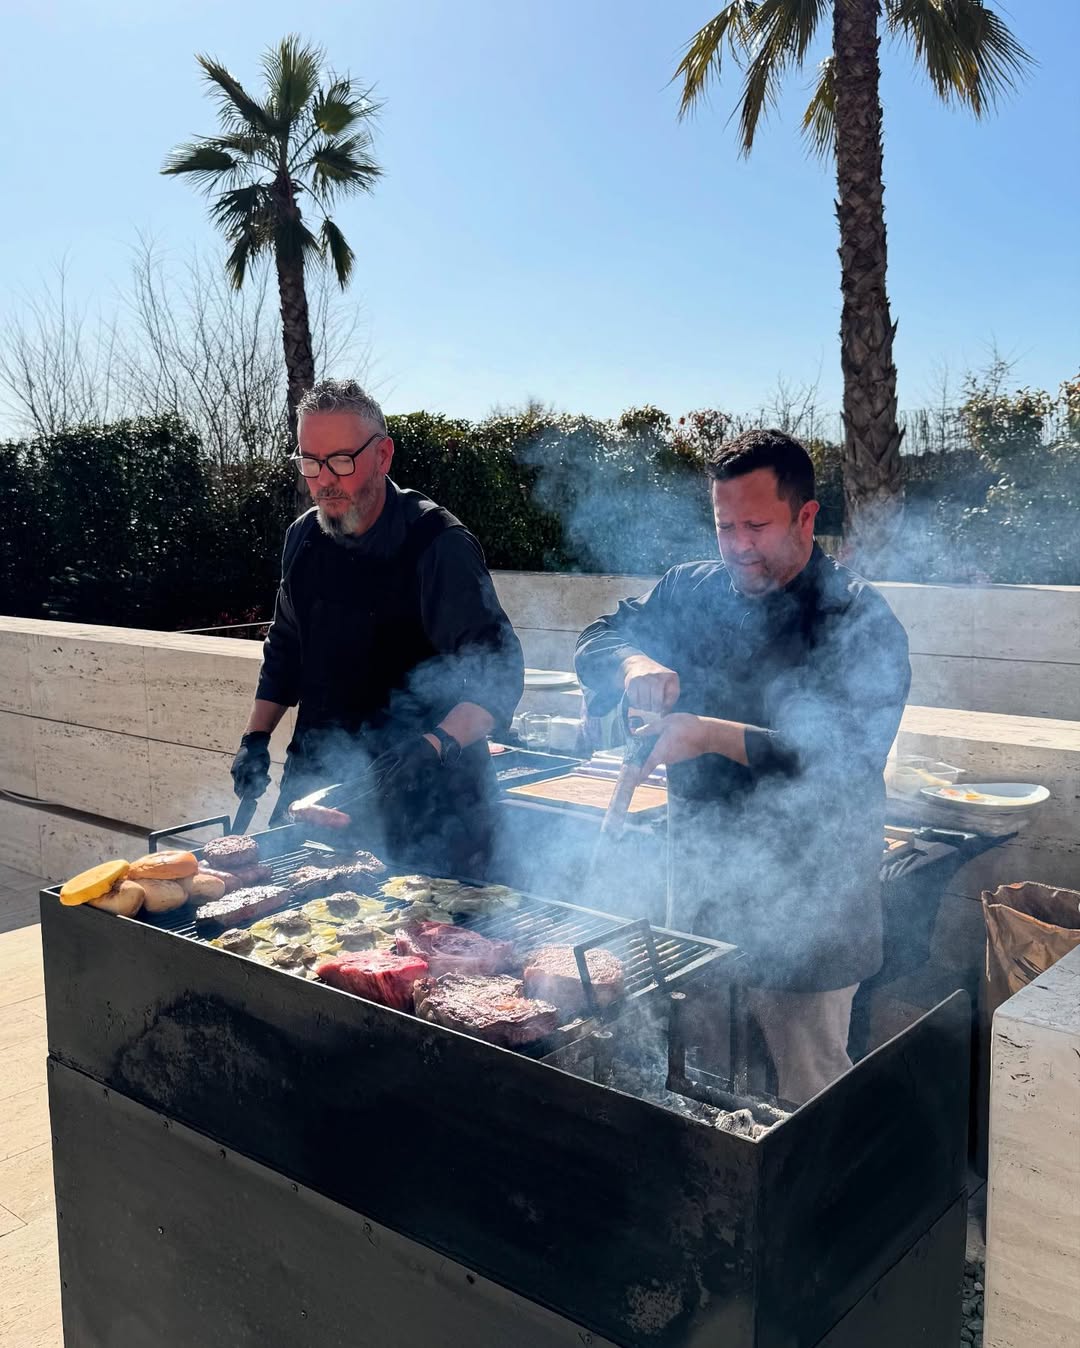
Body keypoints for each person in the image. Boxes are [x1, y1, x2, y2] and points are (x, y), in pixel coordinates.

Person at [574, 429, 911, 1105]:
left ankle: (817, 1211)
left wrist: (708, 734)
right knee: (699, 1084)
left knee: (809, 1094)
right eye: (724, 525)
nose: (737, 545)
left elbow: (845, 761)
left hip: (813, 908)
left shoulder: (857, 618)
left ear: (807, 516)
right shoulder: (693, 590)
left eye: (756, 525)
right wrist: (633, 664)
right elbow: (598, 637)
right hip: (700, 894)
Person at [230, 379, 524, 875]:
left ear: (382, 454)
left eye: (341, 460)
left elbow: (501, 672)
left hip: (430, 808)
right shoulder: (303, 539)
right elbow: (285, 648)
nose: (323, 479)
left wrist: (433, 745)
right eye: (310, 461)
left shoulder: (437, 544)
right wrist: (256, 738)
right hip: (321, 795)